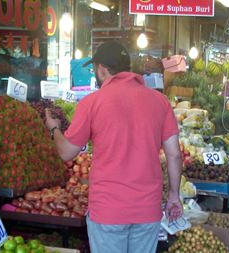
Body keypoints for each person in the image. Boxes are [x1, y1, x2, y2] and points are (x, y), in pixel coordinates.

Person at [45, 41, 183, 253]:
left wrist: (54, 129)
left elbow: (66, 152)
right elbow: (174, 155)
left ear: (102, 69)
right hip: (147, 210)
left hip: (108, 211)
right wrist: (174, 196)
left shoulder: (92, 103)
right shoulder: (160, 101)